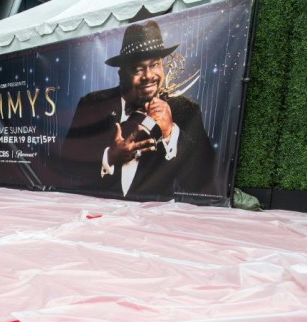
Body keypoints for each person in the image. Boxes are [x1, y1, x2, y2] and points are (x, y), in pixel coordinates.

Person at [60, 20, 217, 202]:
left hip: (155, 220)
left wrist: (171, 133)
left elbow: (203, 182)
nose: (149, 75)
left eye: (154, 65)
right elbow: (67, 162)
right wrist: (110, 156)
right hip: (98, 213)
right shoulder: (92, 104)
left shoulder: (185, 111)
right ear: (122, 75)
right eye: (138, 69)